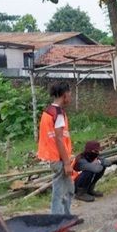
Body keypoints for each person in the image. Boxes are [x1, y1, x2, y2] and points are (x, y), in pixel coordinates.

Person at [37, 82, 74, 215]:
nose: (71, 96)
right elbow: (59, 139)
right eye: (70, 93)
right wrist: (66, 163)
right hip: (59, 159)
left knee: (69, 189)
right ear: (64, 95)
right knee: (60, 192)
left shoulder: (49, 111)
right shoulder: (58, 114)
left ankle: (66, 217)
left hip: (55, 157)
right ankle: (58, 221)